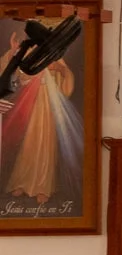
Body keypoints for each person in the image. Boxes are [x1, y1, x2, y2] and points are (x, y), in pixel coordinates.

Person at [0, 27, 81, 208]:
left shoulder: (54, 54)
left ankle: (43, 187)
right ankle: (21, 182)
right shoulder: (23, 51)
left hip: (47, 107)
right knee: (27, 144)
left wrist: (59, 68)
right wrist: (13, 52)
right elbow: (9, 74)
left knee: (44, 144)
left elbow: (67, 76)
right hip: (25, 105)